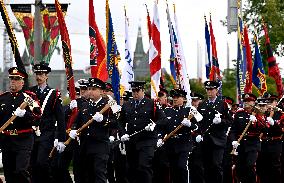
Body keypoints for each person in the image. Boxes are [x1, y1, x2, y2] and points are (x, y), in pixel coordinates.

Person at [69, 78, 119, 183]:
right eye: (89, 88)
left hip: (100, 145)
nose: (90, 91)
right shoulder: (85, 105)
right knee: (88, 175)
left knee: (99, 174)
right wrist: (73, 130)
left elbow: (117, 123)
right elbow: (77, 122)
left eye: (94, 89)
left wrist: (103, 120)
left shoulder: (109, 104)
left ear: (101, 91)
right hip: (85, 146)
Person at [119, 81, 166, 183]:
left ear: (142, 91)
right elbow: (120, 122)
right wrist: (123, 133)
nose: (135, 93)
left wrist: (154, 124)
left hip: (147, 141)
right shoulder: (127, 105)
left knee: (144, 165)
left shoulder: (151, 103)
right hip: (132, 141)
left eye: (137, 91)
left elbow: (163, 119)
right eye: (133, 91)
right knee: (132, 167)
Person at [0, 67, 41, 183]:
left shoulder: (29, 98)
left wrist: (25, 114)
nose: (13, 81)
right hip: (7, 140)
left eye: (16, 79)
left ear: (22, 82)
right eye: (11, 79)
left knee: (21, 171)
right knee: (9, 172)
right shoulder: (2, 98)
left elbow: (38, 118)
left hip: (23, 139)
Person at [29, 63, 66, 183]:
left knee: (42, 163)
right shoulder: (31, 92)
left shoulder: (53, 94)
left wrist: (61, 139)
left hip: (47, 134)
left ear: (46, 76)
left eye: (41, 74)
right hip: (32, 134)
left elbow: (60, 118)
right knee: (32, 164)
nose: (38, 77)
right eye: (37, 74)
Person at [159, 88, 198, 183]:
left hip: (184, 143)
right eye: (173, 97)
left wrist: (189, 124)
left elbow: (197, 127)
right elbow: (162, 127)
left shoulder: (189, 111)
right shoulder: (167, 111)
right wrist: (160, 138)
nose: (175, 99)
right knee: (173, 169)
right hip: (171, 144)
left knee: (182, 166)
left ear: (183, 99)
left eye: (177, 97)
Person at [195, 81, 231, 183]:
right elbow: (199, 121)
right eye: (207, 89)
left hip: (218, 140)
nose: (209, 91)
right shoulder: (202, 104)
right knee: (206, 166)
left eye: (211, 89)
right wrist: (198, 134)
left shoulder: (223, 104)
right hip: (206, 140)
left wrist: (221, 121)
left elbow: (229, 121)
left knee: (216, 165)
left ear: (217, 90)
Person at [230, 94, 267, 183]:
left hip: (253, 144)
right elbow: (233, 129)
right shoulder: (239, 113)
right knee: (239, 167)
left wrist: (256, 122)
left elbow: (264, 128)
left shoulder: (259, 113)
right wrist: (233, 140)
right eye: (245, 101)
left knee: (250, 165)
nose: (246, 103)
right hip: (241, 144)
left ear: (253, 102)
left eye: (249, 101)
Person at [257, 95, 283, 183]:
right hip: (263, 143)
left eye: (272, 102)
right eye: (268, 102)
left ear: (276, 103)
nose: (269, 105)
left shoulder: (280, 114)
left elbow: (281, 130)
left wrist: (273, 123)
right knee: (262, 166)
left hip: (275, 142)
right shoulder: (262, 114)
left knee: (275, 167)